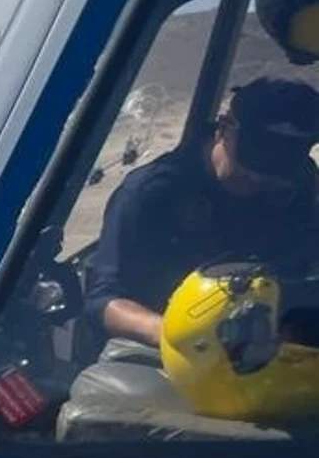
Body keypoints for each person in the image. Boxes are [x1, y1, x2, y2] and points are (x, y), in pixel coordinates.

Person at [87, 75, 319, 355]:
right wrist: (182, 335)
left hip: (267, 342)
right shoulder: (152, 192)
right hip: (169, 349)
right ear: (223, 130)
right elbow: (105, 302)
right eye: (248, 170)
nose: (257, 183)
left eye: (274, 179)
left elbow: (302, 260)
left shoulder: (298, 181)